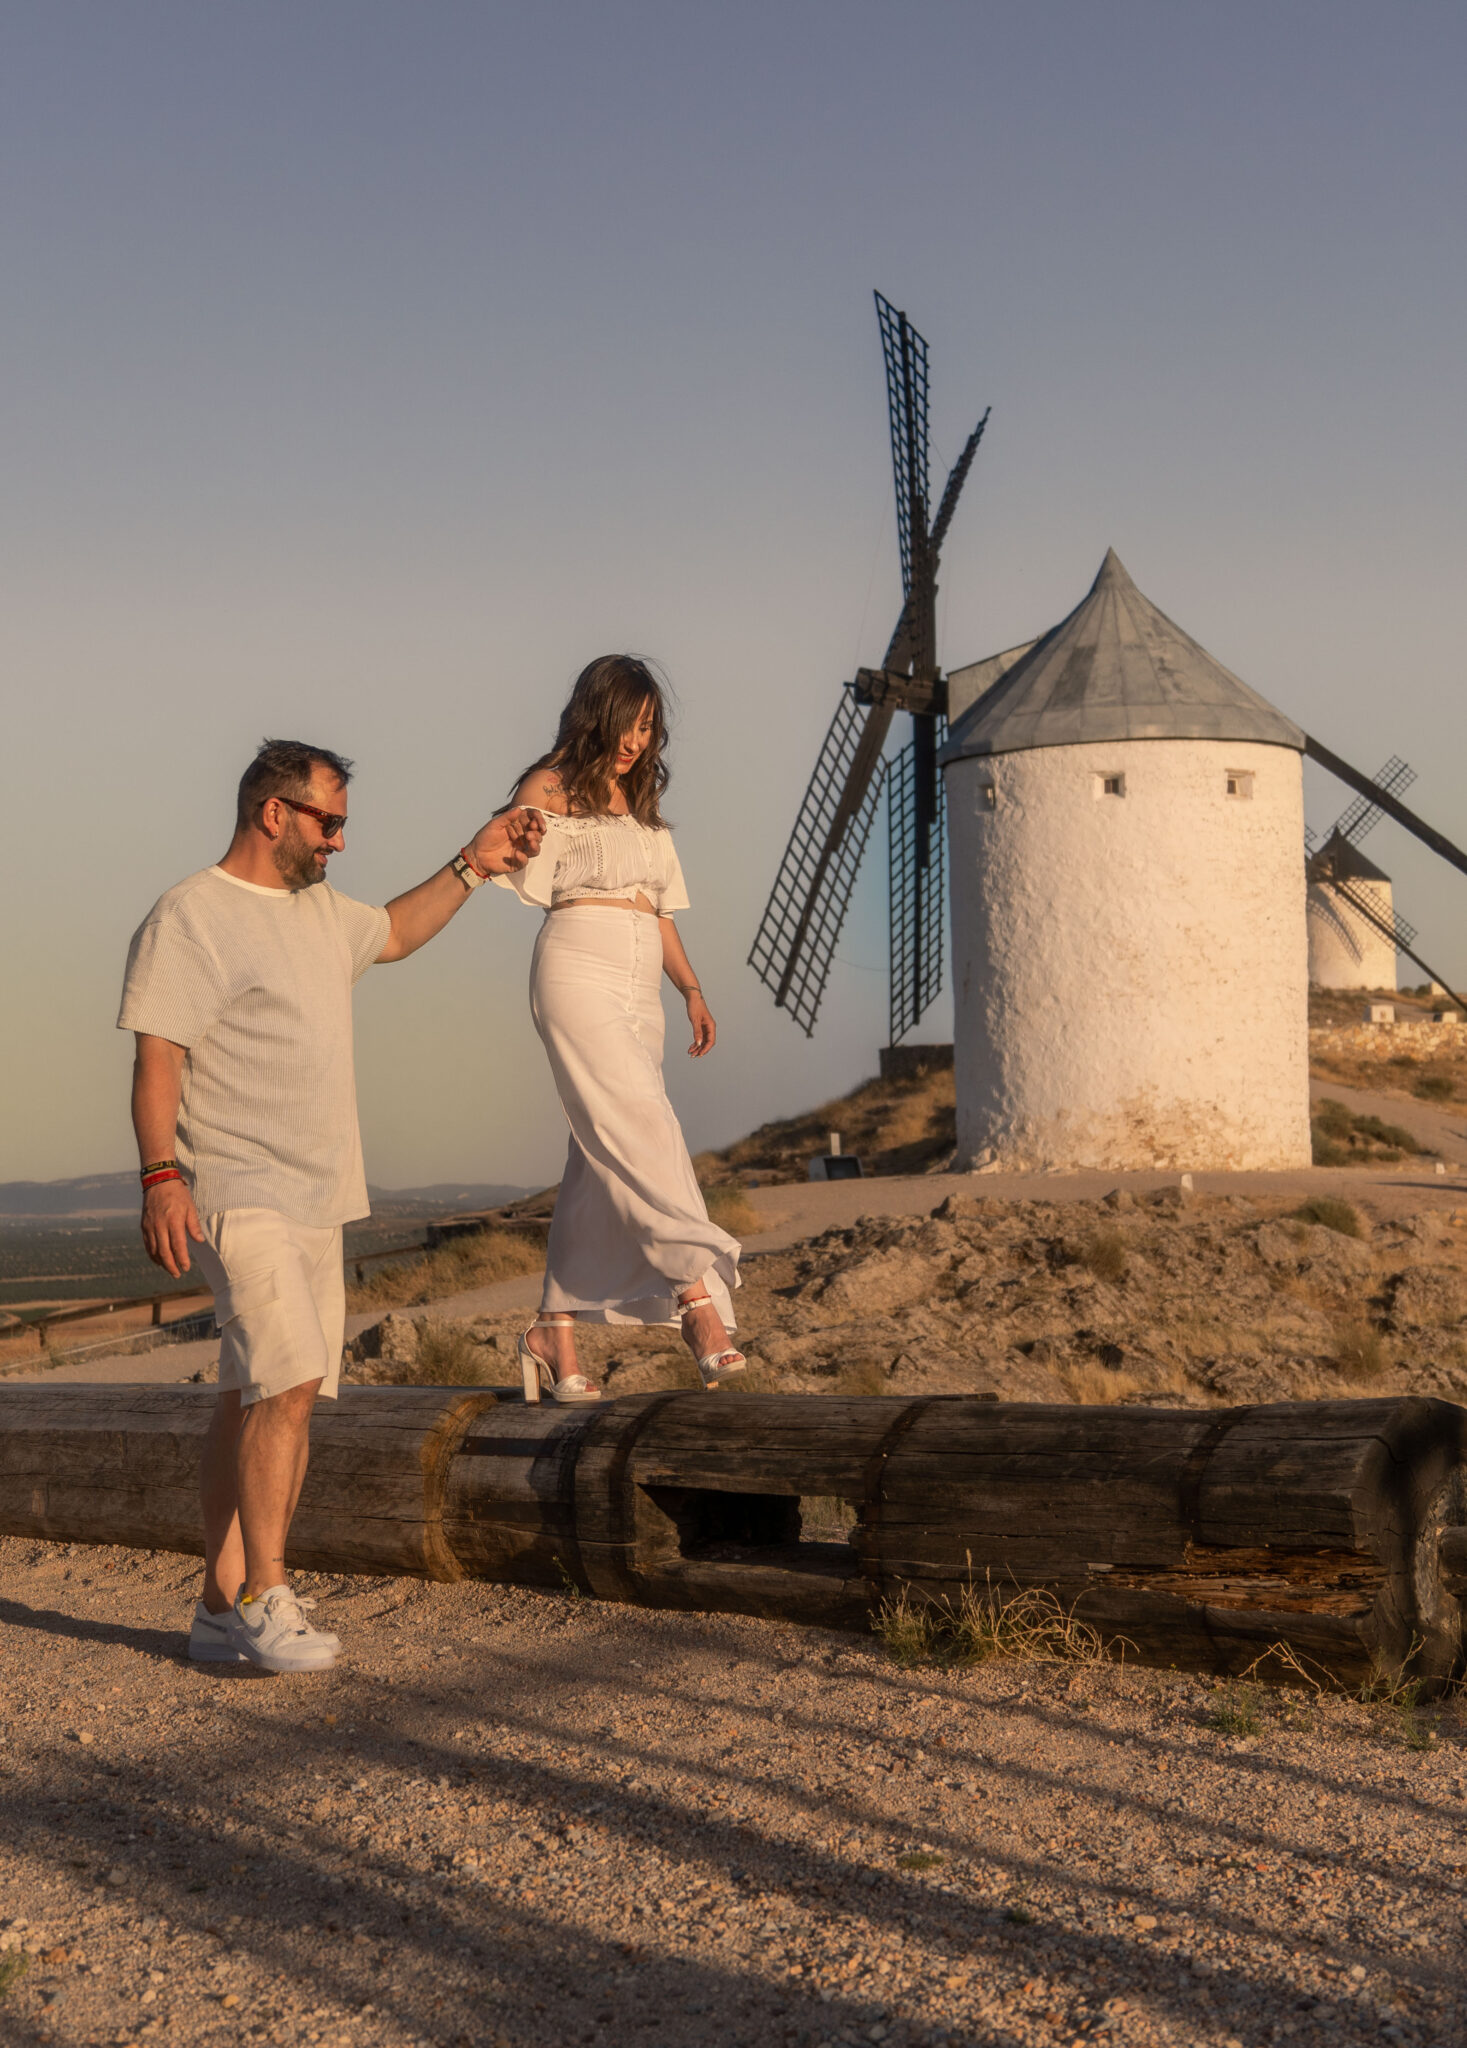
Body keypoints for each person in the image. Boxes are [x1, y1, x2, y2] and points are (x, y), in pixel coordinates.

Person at [119, 738, 542, 1674]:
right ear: (276, 813)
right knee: (290, 1382)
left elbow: (392, 932)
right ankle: (270, 1594)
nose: (340, 842)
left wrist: (475, 862)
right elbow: (158, 1059)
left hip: (320, 1194)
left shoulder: (318, 912)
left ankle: (216, 1608)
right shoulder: (190, 914)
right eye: (330, 822)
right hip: (236, 1186)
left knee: (252, 1393)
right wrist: (160, 1176)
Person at [497, 654, 743, 1404]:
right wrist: (523, 834)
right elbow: (507, 845)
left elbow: (657, 907)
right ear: (595, 711)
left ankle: (552, 1329)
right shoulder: (547, 787)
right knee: (641, 1123)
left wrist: (691, 988)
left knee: (598, 1156)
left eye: (648, 726)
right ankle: (695, 1300)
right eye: (627, 721)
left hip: (642, 985)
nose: (637, 739)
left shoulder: (636, 802)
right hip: (576, 967)